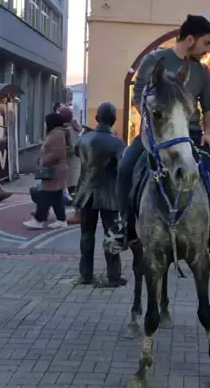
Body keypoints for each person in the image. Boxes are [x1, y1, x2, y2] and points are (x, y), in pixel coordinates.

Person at [105, 14, 210, 256]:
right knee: (125, 168)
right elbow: (139, 94)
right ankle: (126, 227)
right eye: (207, 43)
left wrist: (208, 133)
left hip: (191, 135)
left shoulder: (202, 71)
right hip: (156, 134)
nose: (208, 50)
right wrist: (155, 123)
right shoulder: (154, 60)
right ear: (191, 39)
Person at [74, 103, 128, 287]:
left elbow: (76, 152)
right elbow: (123, 170)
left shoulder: (83, 139)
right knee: (111, 234)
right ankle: (113, 275)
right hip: (109, 195)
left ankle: (85, 274)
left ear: (96, 118)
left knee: (86, 235)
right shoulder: (117, 143)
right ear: (114, 120)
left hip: (85, 193)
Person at [23, 113, 68, 229]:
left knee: (45, 194)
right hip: (56, 169)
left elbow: (56, 153)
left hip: (53, 170)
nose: (44, 124)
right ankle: (61, 219)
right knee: (56, 196)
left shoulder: (56, 134)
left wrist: (44, 161)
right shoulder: (56, 133)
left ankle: (39, 220)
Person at [59, 105, 83, 224]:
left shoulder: (68, 130)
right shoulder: (73, 127)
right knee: (73, 188)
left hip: (72, 163)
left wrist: (61, 150)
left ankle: (79, 213)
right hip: (75, 162)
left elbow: (73, 147)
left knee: (73, 189)